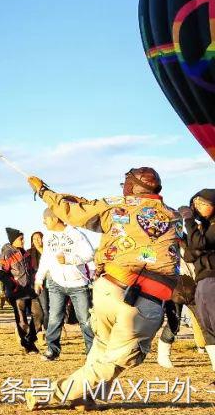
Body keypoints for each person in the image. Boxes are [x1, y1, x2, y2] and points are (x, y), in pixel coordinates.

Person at [25, 167, 181, 410]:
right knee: (115, 360)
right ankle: (53, 395)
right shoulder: (173, 216)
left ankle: (85, 396)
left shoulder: (116, 205)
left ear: (130, 187)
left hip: (109, 289)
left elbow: (75, 211)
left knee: (102, 348)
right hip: (147, 300)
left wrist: (44, 191)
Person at [33, 208, 95, 361]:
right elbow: (46, 259)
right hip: (55, 282)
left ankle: (92, 352)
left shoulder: (76, 234)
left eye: (45, 219)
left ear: (54, 219)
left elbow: (90, 254)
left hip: (78, 284)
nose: (44, 222)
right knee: (54, 317)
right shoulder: (48, 237)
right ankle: (52, 350)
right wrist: (39, 279)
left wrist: (69, 259)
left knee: (85, 319)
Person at [182, 187, 215, 380]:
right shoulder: (202, 227)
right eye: (195, 204)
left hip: (212, 278)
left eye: (202, 204)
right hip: (202, 279)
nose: (197, 208)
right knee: (207, 327)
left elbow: (200, 244)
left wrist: (188, 220)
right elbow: (189, 253)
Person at [0, 227, 38, 354]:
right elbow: (1, 273)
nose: (23, 241)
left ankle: (30, 338)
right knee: (22, 319)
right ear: (13, 240)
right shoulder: (6, 254)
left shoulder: (25, 253)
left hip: (30, 290)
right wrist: (12, 286)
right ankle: (28, 345)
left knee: (39, 314)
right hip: (17, 291)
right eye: (21, 239)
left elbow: (31, 270)